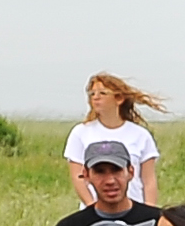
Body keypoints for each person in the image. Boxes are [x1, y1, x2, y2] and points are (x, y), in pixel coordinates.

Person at [66, 74, 168, 207]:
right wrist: (92, 208)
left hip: (134, 211)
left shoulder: (141, 135)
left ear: (119, 98)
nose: (96, 97)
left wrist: (149, 211)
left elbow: (148, 180)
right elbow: (78, 177)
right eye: (92, 94)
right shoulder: (80, 133)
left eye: (102, 93)